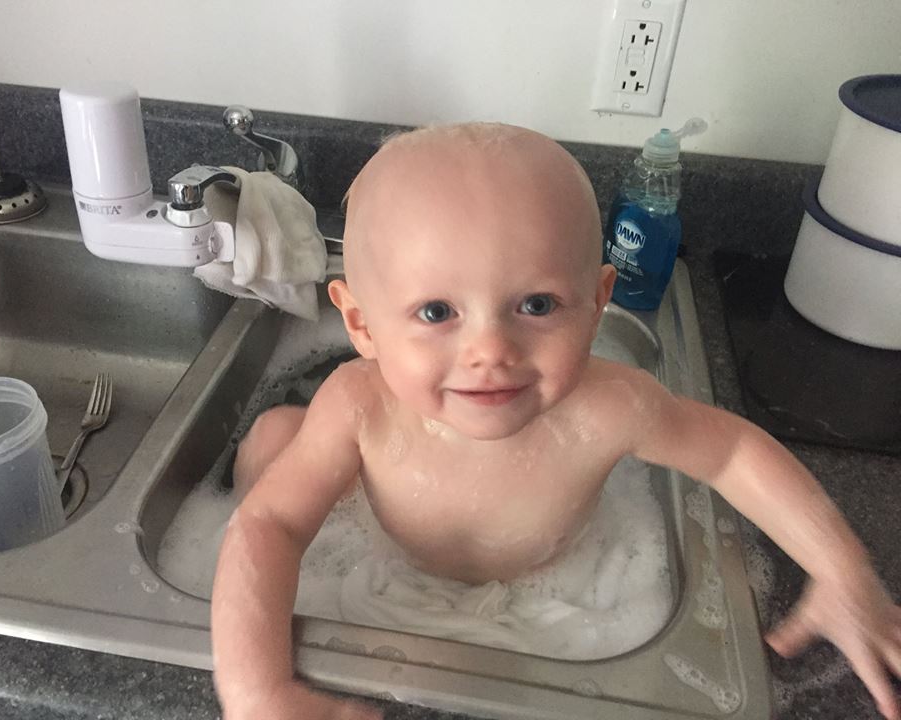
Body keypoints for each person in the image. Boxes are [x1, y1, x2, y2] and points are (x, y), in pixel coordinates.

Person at [211, 123, 901, 720]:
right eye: (436, 312)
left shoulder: (607, 407)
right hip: (374, 552)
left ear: (598, 303)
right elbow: (272, 526)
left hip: (549, 589)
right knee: (275, 446)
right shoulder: (359, 404)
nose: (490, 353)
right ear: (360, 323)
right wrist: (257, 690)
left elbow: (731, 454)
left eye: (536, 305)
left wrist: (843, 571)